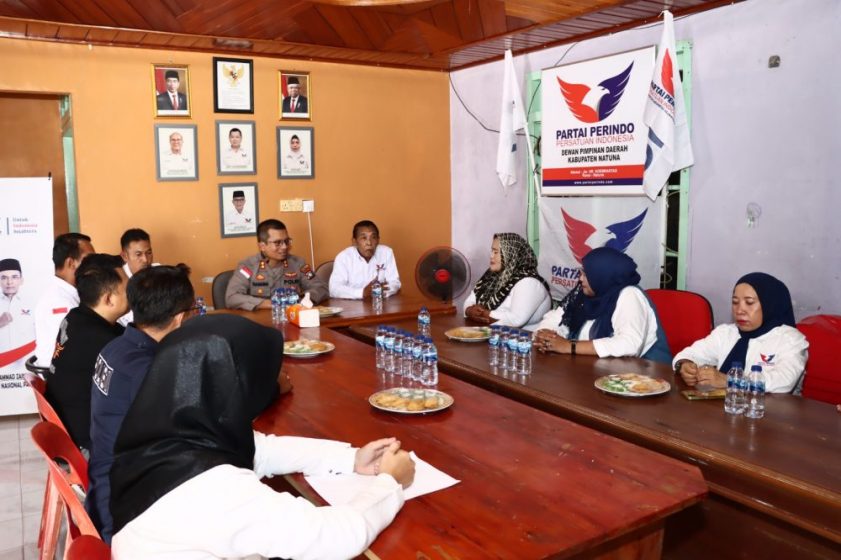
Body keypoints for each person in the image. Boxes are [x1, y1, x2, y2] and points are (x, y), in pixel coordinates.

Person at [110, 314, 415, 558]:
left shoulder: (164, 432)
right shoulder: (216, 493)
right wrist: (390, 482)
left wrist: (352, 458)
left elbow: (264, 450)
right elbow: (336, 537)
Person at [86, 264, 194, 543]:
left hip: (104, 484)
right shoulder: (148, 371)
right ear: (180, 318)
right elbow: (192, 427)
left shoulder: (115, 347)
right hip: (125, 514)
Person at [673, 272, 808, 393]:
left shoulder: (790, 339)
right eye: (735, 302)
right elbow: (689, 354)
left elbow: (784, 382)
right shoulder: (726, 333)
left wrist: (730, 381)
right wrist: (684, 365)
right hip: (725, 407)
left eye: (749, 303)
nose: (739, 310)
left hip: (772, 410)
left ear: (770, 305)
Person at [533, 247, 671, 363]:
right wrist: (545, 335)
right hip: (593, 370)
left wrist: (569, 346)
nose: (580, 279)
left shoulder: (629, 295)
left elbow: (629, 344)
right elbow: (556, 318)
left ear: (602, 276)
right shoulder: (583, 292)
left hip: (644, 376)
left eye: (586, 275)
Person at [46, 254, 127, 451]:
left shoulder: (76, 316)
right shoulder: (103, 340)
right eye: (128, 289)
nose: (134, 293)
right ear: (109, 299)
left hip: (71, 422)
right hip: (88, 442)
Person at [226, 219, 328, 309]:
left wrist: (301, 299)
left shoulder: (298, 264)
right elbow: (232, 297)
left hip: (291, 317)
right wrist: (273, 304)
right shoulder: (248, 267)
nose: (284, 247)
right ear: (262, 246)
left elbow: (321, 288)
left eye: (286, 241)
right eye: (277, 243)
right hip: (259, 321)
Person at [462, 233, 551, 330]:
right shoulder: (491, 276)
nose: (491, 256)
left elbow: (516, 319)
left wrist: (483, 313)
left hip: (524, 337)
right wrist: (469, 310)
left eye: (496, 252)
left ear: (511, 254)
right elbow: (471, 300)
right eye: (492, 251)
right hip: (490, 333)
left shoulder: (529, 282)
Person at [33, 233, 95, 367]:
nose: (95, 265)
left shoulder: (70, 293)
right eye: (89, 260)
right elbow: (77, 346)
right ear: (71, 263)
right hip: (57, 374)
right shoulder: (59, 302)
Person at [329, 220, 401, 300]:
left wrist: (379, 292)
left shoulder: (386, 253)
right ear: (354, 242)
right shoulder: (344, 257)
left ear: (378, 240)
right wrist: (362, 293)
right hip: (351, 305)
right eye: (364, 238)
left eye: (373, 237)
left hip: (379, 302)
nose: (369, 243)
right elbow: (334, 289)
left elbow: (394, 282)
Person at [118, 228, 159, 326]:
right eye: (138, 254)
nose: (145, 260)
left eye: (149, 253)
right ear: (124, 256)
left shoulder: (159, 272)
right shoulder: (118, 283)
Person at [0, 258, 35, 368]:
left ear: (21, 280)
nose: (9, 282)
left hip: (27, 367)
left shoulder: (33, 304)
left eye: (14, 277)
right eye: (4, 278)